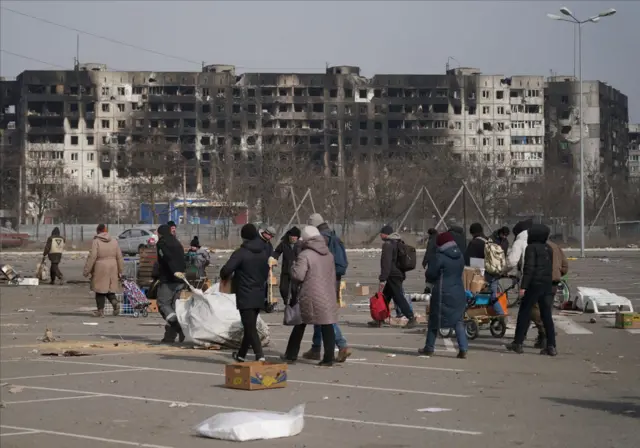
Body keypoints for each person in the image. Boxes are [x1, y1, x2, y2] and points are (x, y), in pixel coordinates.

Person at [281, 226, 339, 366]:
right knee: (327, 324)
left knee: (300, 323)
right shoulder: (329, 254)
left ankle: (291, 354)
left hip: (310, 294)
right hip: (328, 292)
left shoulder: (305, 255)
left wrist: (293, 265)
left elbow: (298, 275)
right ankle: (329, 357)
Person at [303, 213, 351, 362]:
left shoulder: (322, 239)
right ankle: (316, 347)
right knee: (321, 314)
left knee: (324, 315)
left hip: (324, 280)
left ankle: (341, 344)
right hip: (334, 279)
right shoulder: (334, 236)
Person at [220, 223, 270, 362]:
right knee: (250, 325)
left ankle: (260, 356)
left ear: (243, 237)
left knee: (249, 327)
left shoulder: (241, 253)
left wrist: (227, 277)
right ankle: (241, 355)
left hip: (245, 293)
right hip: (259, 292)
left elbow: (226, 270)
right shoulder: (264, 251)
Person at [506, 224, 557, 356]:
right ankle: (551, 345)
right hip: (546, 285)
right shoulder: (548, 248)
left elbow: (529, 268)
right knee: (547, 316)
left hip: (534, 284)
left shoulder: (531, 248)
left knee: (524, 313)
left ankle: (518, 343)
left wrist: (523, 286)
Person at [419, 231, 468, 358]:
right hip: (458, 290)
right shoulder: (460, 255)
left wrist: (429, 285)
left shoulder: (439, 256)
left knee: (434, 320)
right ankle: (463, 348)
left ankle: (429, 347)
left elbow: (431, 273)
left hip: (442, 292)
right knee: (458, 320)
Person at [526, 237, 568, 348]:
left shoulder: (534, 247)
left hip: (538, 282)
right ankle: (545, 339)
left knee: (533, 308)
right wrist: (557, 274)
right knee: (546, 310)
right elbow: (565, 266)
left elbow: (529, 267)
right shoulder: (556, 246)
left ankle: (544, 334)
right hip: (553, 283)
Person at [373, 225, 417, 328]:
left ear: (386, 234)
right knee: (385, 297)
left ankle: (411, 318)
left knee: (399, 297)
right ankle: (379, 318)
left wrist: (383, 278)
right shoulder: (397, 242)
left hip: (392, 275)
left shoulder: (388, 245)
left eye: (382, 233)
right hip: (398, 274)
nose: (380, 235)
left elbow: (386, 263)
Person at [83, 224, 124, 318]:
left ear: (98, 231)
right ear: (106, 231)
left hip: (100, 267)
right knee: (109, 288)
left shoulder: (96, 241)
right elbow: (119, 257)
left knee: (100, 290)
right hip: (113, 266)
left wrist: (86, 271)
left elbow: (92, 257)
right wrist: (120, 270)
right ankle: (115, 302)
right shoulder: (114, 241)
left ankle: (100, 311)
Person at [155, 224, 187, 343]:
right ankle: (170, 335)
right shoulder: (177, 243)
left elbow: (166, 259)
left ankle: (179, 328)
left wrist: (169, 273)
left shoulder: (162, 244)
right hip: (180, 278)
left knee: (163, 304)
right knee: (173, 307)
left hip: (169, 279)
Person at [271, 226, 301, 306]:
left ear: (297, 237)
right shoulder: (284, 243)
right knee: (283, 289)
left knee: (295, 290)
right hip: (286, 270)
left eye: (295, 236)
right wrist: (274, 258)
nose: (293, 238)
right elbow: (277, 252)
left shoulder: (300, 245)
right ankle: (286, 302)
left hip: (296, 271)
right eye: (291, 236)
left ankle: (294, 304)